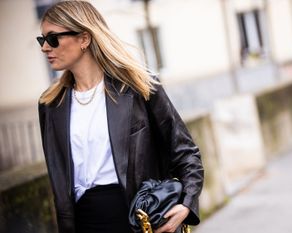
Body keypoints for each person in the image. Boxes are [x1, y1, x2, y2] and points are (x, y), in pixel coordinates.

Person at [37, 1, 204, 233]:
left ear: (84, 38)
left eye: (53, 38)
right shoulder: (51, 104)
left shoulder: (138, 88)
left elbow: (185, 153)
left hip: (138, 219)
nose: (45, 47)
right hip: (82, 223)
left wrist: (187, 204)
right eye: (42, 39)